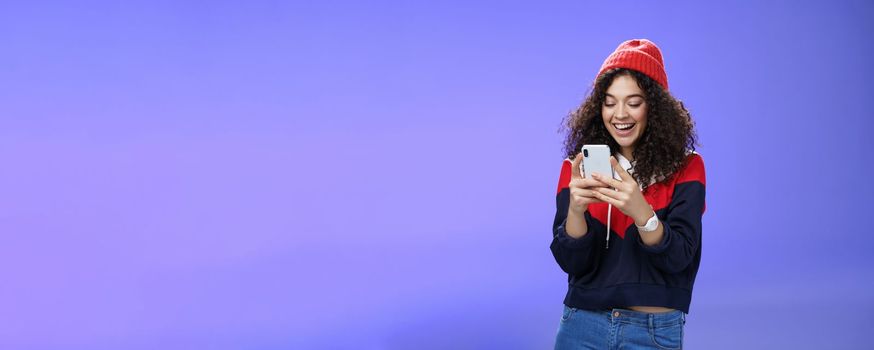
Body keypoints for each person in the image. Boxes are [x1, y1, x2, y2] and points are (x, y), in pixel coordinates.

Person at [551, 39, 705, 349]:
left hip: (652, 331)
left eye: (633, 102)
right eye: (609, 102)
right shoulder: (577, 168)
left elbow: (680, 258)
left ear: (655, 106)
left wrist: (642, 213)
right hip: (581, 324)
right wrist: (576, 212)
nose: (620, 114)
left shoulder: (687, 167)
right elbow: (571, 262)